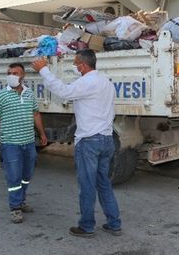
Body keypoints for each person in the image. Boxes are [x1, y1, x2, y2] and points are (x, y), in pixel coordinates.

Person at [32, 50, 122, 237]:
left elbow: (63, 92)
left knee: (87, 185)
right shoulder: (106, 82)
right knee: (103, 183)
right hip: (106, 139)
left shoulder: (87, 82)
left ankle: (87, 226)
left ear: (83, 64)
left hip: (89, 140)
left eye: (75, 63)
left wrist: (44, 71)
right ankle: (114, 224)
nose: (75, 66)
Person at [0, 63, 48, 224]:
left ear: (23, 76)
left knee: (26, 175)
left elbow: (36, 114)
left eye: (15, 73)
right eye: (9, 73)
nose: (11, 75)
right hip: (10, 144)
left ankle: (21, 200)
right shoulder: (0, 96)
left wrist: (42, 134)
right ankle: (15, 207)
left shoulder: (29, 94)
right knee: (14, 177)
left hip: (28, 143)